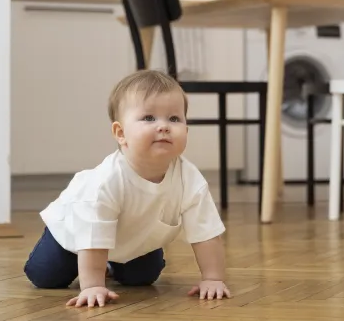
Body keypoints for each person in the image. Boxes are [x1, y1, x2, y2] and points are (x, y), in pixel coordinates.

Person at [23, 70, 231, 306]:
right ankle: (89, 266)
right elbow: (92, 237)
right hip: (73, 236)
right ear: (121, 133)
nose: (163, 126)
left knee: (142, 278)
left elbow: (206, 233)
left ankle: (111, 264)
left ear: (186, 129)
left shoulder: (189, 178)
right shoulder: (106, 181)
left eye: (174, 119)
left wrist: (213, 278)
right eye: (149, 118)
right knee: (45, 277)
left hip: (133, 241)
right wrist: (93, 286)